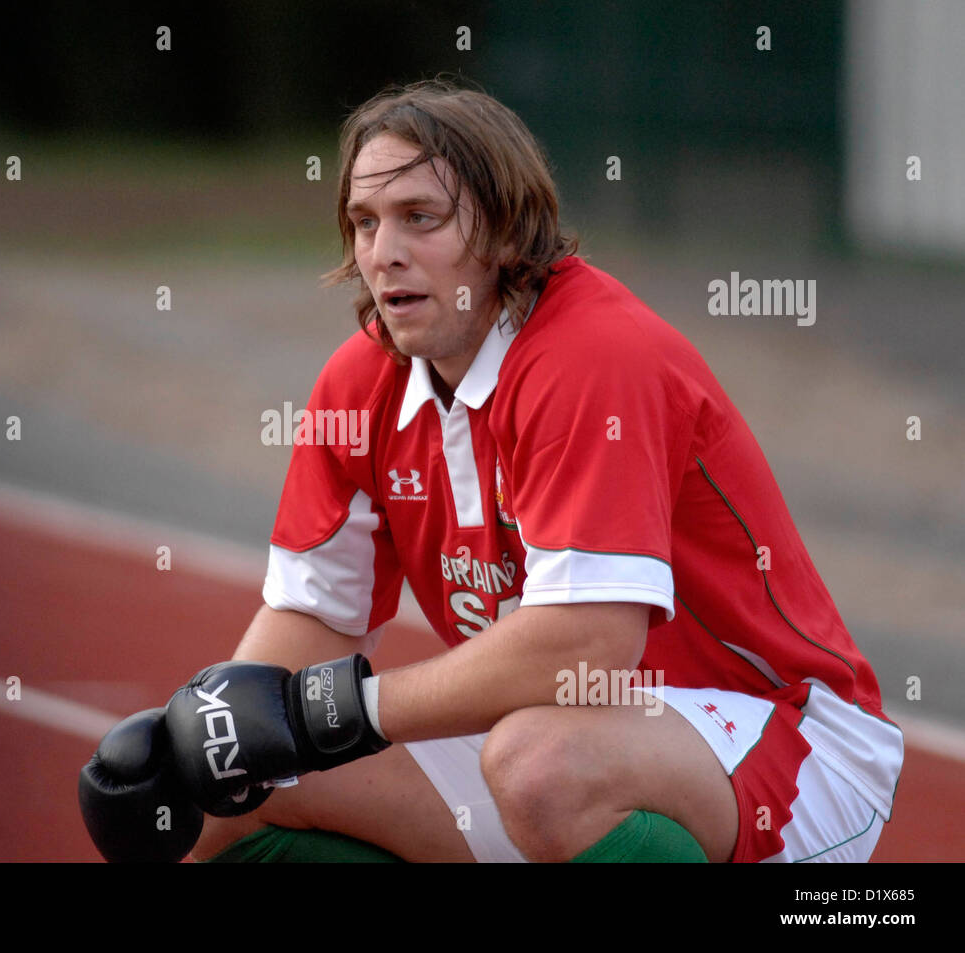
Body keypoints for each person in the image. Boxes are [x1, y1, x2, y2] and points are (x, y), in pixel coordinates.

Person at [80, 78, 902, 864]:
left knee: (540, 767)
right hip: (569, 731)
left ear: (508, 232)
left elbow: (584, 648)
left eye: (420, 217)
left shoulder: (591, 358)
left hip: (787, 743)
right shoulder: (358, 386)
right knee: (243, 796)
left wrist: (333, 710)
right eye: (365, 222)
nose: (384, 253)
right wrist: (205, 729)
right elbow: (311, 624)